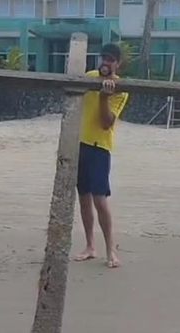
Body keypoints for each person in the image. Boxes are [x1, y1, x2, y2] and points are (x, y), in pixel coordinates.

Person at [73, 43, 129, 269]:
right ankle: (90, 246)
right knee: (84, 199)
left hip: (100, 147)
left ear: (118, 64)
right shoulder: (89, 77)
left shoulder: (121, 89)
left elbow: (107, 123)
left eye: (110, 59)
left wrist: (105, 96)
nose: (105, 63)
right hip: (79, 144)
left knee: (99, 200)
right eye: (103, 58)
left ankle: (111, 250)